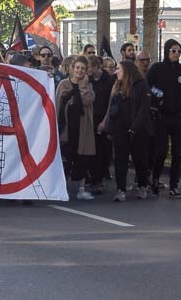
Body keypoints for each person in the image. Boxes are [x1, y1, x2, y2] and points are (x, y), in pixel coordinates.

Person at [146, 39, 181, 198]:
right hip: (162, 116)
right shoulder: (157, 68)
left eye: (179, 51)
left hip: (178, 117)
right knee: (161, 151)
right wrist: (159, 96)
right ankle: (155, 178)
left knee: (177, 152)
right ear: (167, 51)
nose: (176, 54)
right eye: (173, 51)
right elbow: (149, 86)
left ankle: (174, 186)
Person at [103, 60, 152, 201]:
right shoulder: (117, 85)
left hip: (137, 130)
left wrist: (134, 128)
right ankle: (120, 189)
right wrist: (110, 128)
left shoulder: (141, 86)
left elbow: (144, 109)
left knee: (139, 159)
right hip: (120, 129)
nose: (116, 71)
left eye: (118, 69)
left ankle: (143, 185)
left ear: (127, 71)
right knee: (120, 160)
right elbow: (112, 108)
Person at [56, 56, 95, 200]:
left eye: (83, 68)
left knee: (82, 158)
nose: (80, 71)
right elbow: (58, 104)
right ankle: (61, 188)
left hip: (82, 127)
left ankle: (81, 189)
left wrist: (83, 86)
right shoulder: (63, 84)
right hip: (67, 127)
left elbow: (88, 100)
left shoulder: (88, 85)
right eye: (77, 68)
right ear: (72, 68)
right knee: (65, 159)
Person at [86, 55, 114, 194]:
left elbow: (111, 101)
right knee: (93, 150)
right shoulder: (88, 79)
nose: (88, 70)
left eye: (90, 67)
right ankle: (95, 178)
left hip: (104, 118)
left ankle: (101, 176)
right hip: (91, 119)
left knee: (104, 150)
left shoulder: (108, 80)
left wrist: (105, 120)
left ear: (97, 67)